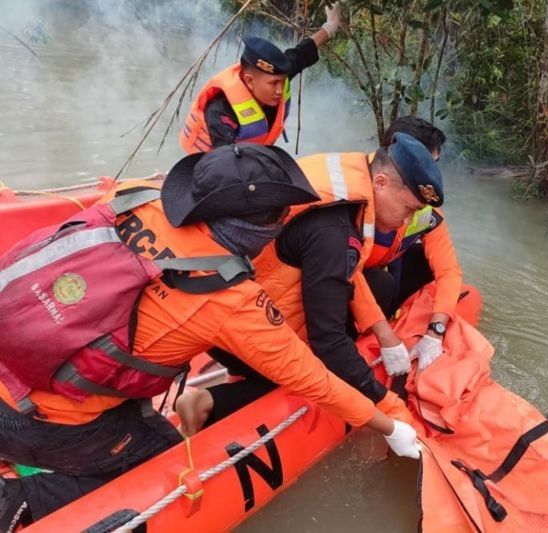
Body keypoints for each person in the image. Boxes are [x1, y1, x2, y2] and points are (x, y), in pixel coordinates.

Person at [0, 144, 420, 531]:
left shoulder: (137, 195)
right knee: (167, 466)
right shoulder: (227, 298)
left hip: (18, 356)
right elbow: (314, 378)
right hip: (35, 418)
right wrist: (391, 425)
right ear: (257, 235)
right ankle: (17, 501)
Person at [175, 133, 444, 433]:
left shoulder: (345, 179)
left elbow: (347, 271)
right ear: (380, 183)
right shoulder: (334, 230)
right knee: (311, 372)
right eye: (407, 210)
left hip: (223, 292)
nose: (406, 223)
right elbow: (328, 342)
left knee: (378, 286)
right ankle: (208, 402)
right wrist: (390, 409)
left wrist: (382, 333)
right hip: (234, 321)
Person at [355, 117, 462, 375]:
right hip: (335, 279)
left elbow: (448, 271)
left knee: (421, 262)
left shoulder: (426, 212)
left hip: (373, 270)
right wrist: (382, 332)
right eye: (424, 163)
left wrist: (435, 331)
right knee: (381, 284)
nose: (430, 175)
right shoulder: (354, 194)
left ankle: (394, 319)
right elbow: (342, 270)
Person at [180, 3, 341, 153]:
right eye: (273, 84)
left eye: (283, 81)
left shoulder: (277, 74)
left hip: (252, 153)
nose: (280, 90)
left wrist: (330, 26)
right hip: (208, 164)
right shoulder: (221, 111)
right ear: (250, 81)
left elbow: (301, 53)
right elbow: (225, 163)